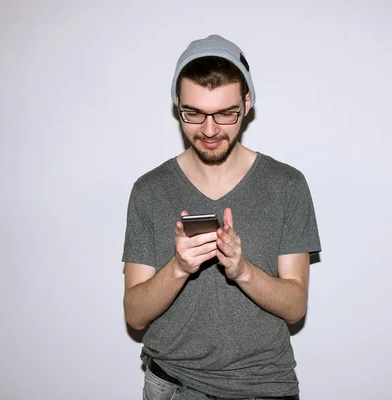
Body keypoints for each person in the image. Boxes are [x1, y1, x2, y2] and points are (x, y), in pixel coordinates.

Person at [122, 34, 321, 400]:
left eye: (225, 113)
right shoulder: (149, 191)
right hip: (172, 385)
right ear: (177, 106)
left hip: (263, 387)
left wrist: (242, 270)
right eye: (193, 113)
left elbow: (295, 307)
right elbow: (135, 314)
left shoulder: (287, 186)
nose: (210, 130)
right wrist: (179, 267)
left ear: (247, 105)